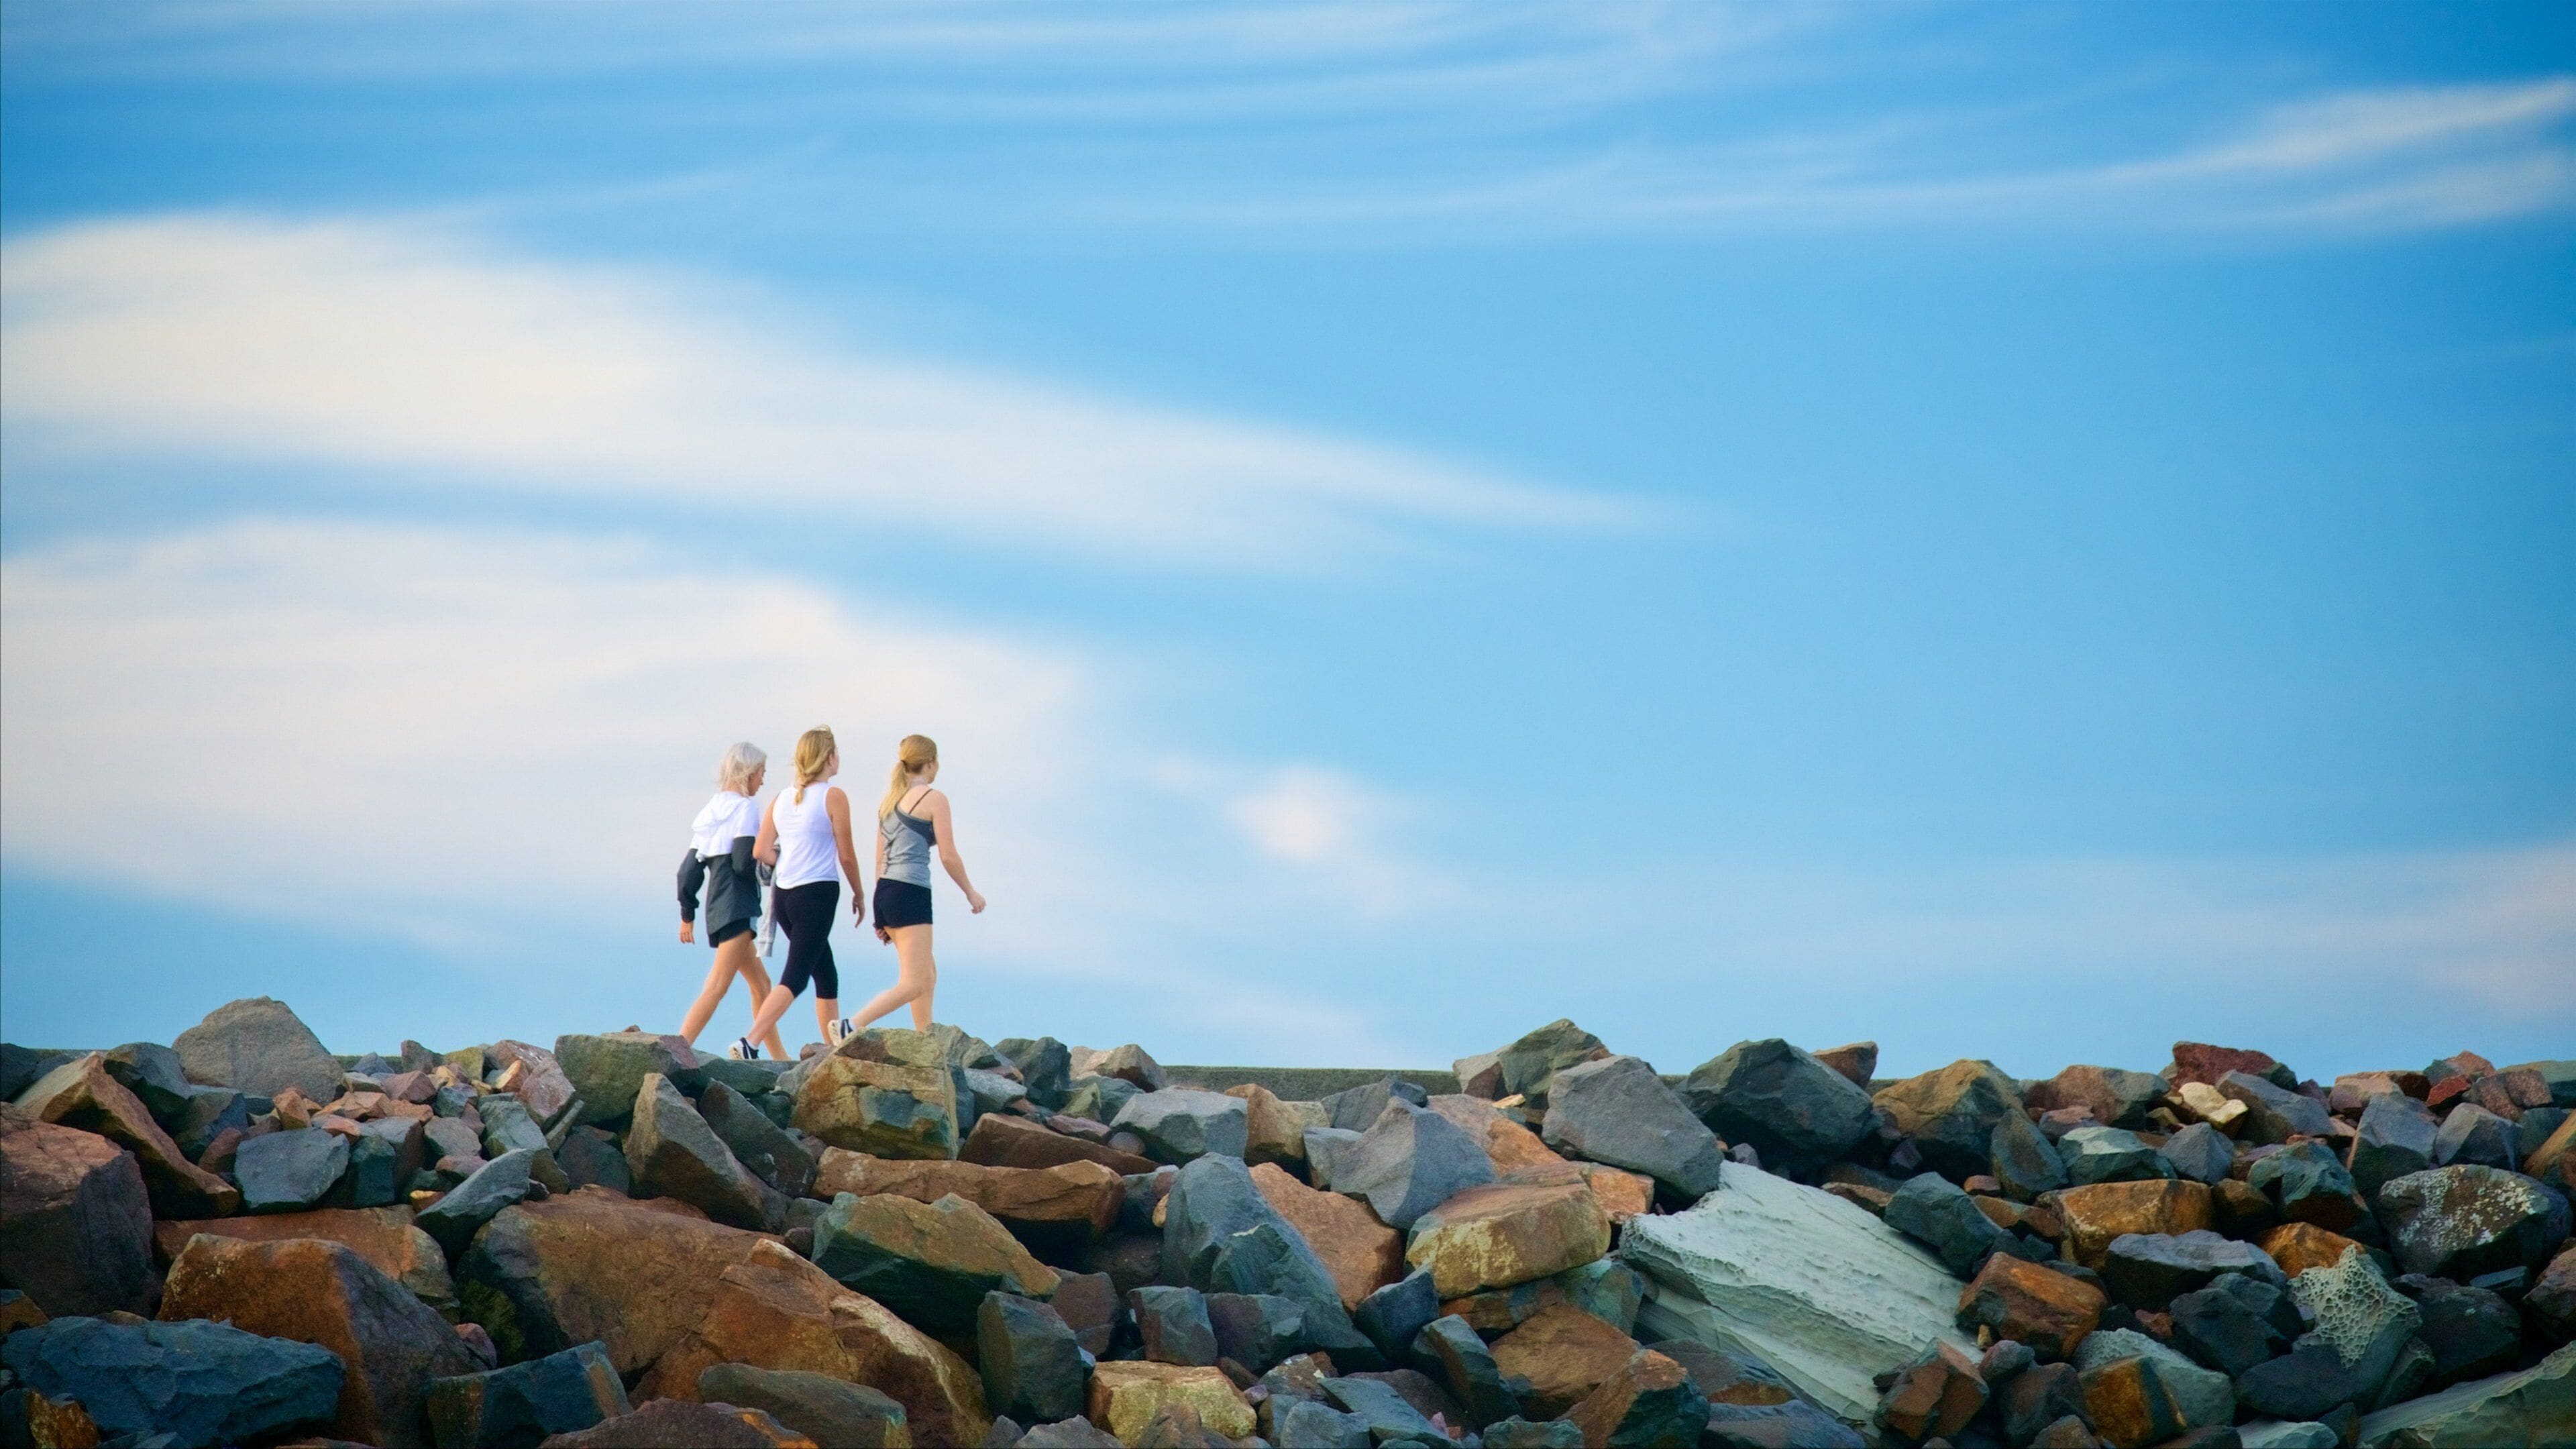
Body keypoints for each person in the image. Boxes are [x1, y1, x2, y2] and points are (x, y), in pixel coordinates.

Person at [729, 726, 867, 1060]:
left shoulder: (781, 798)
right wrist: (860, 894)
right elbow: (846, 855)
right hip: (817, 894)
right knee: (796, 977)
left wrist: (789, 858)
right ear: (828, 757)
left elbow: (761, 850)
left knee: (825, 972)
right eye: (836, 752)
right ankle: (751, 1042)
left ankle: (836, 1054)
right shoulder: (833, 797)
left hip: (785, 898)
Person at [844, 734, 985, 1034]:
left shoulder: (888, 803)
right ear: (931, 763)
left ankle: (925, 1037)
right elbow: (948, 855)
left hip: (886, 893)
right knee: (914, 982)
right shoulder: (934, 799)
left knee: (927, 972)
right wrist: (970, 892)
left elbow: (879, 860)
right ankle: (851, 1025)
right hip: (911, 892)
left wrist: (879, 913)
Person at [675, 741, 788, 1061]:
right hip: (738, 905)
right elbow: (741, 863)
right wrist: (773, 857)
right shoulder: (746, 810)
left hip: (716, 906)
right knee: (717, 987)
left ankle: (781, 1061)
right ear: (748, 773)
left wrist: (688, 914)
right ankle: (677, 1052)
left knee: (762, 984)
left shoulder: (710, 812)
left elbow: (687, 873)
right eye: (761, 774)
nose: (763, 781)